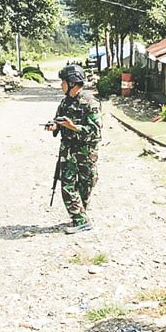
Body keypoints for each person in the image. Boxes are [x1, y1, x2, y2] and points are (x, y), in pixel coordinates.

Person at [45, 64, 102, 234]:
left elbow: (96, 132)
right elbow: (58, 121)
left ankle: (81, 214)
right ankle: (81, 219)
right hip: (68, 152)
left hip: (86, 152)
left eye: (63, 82)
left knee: (87, 184)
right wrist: (55, 126)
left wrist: (73, 127)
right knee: (68, 186)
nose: (61, 85)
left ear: (72, 83)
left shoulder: (90, 103)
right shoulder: (65, 102)